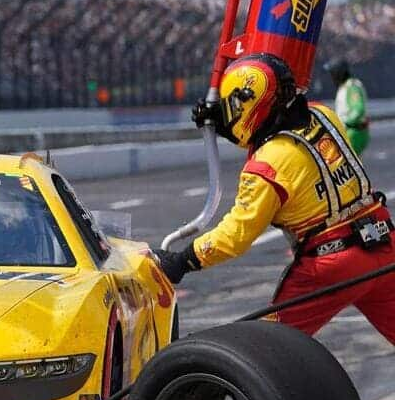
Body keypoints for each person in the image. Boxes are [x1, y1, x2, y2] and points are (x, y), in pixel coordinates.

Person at [156, 53, 395, 341]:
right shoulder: (325, 114)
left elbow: (236, 235)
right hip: (383, 244)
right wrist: (224, 126)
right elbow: (280, 132)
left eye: (233, 105)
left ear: (249, 103)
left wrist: (183, 261)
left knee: (267, 348)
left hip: (332, 263)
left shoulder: (265, 167)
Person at [325, 58, 369, 155]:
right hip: (350, 132)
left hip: (353, 132)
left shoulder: (351, 87)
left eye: (333, 73)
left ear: (338, 73)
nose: (331, 77)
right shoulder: (345, 86)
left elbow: (358, 109)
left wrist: (345, 123)